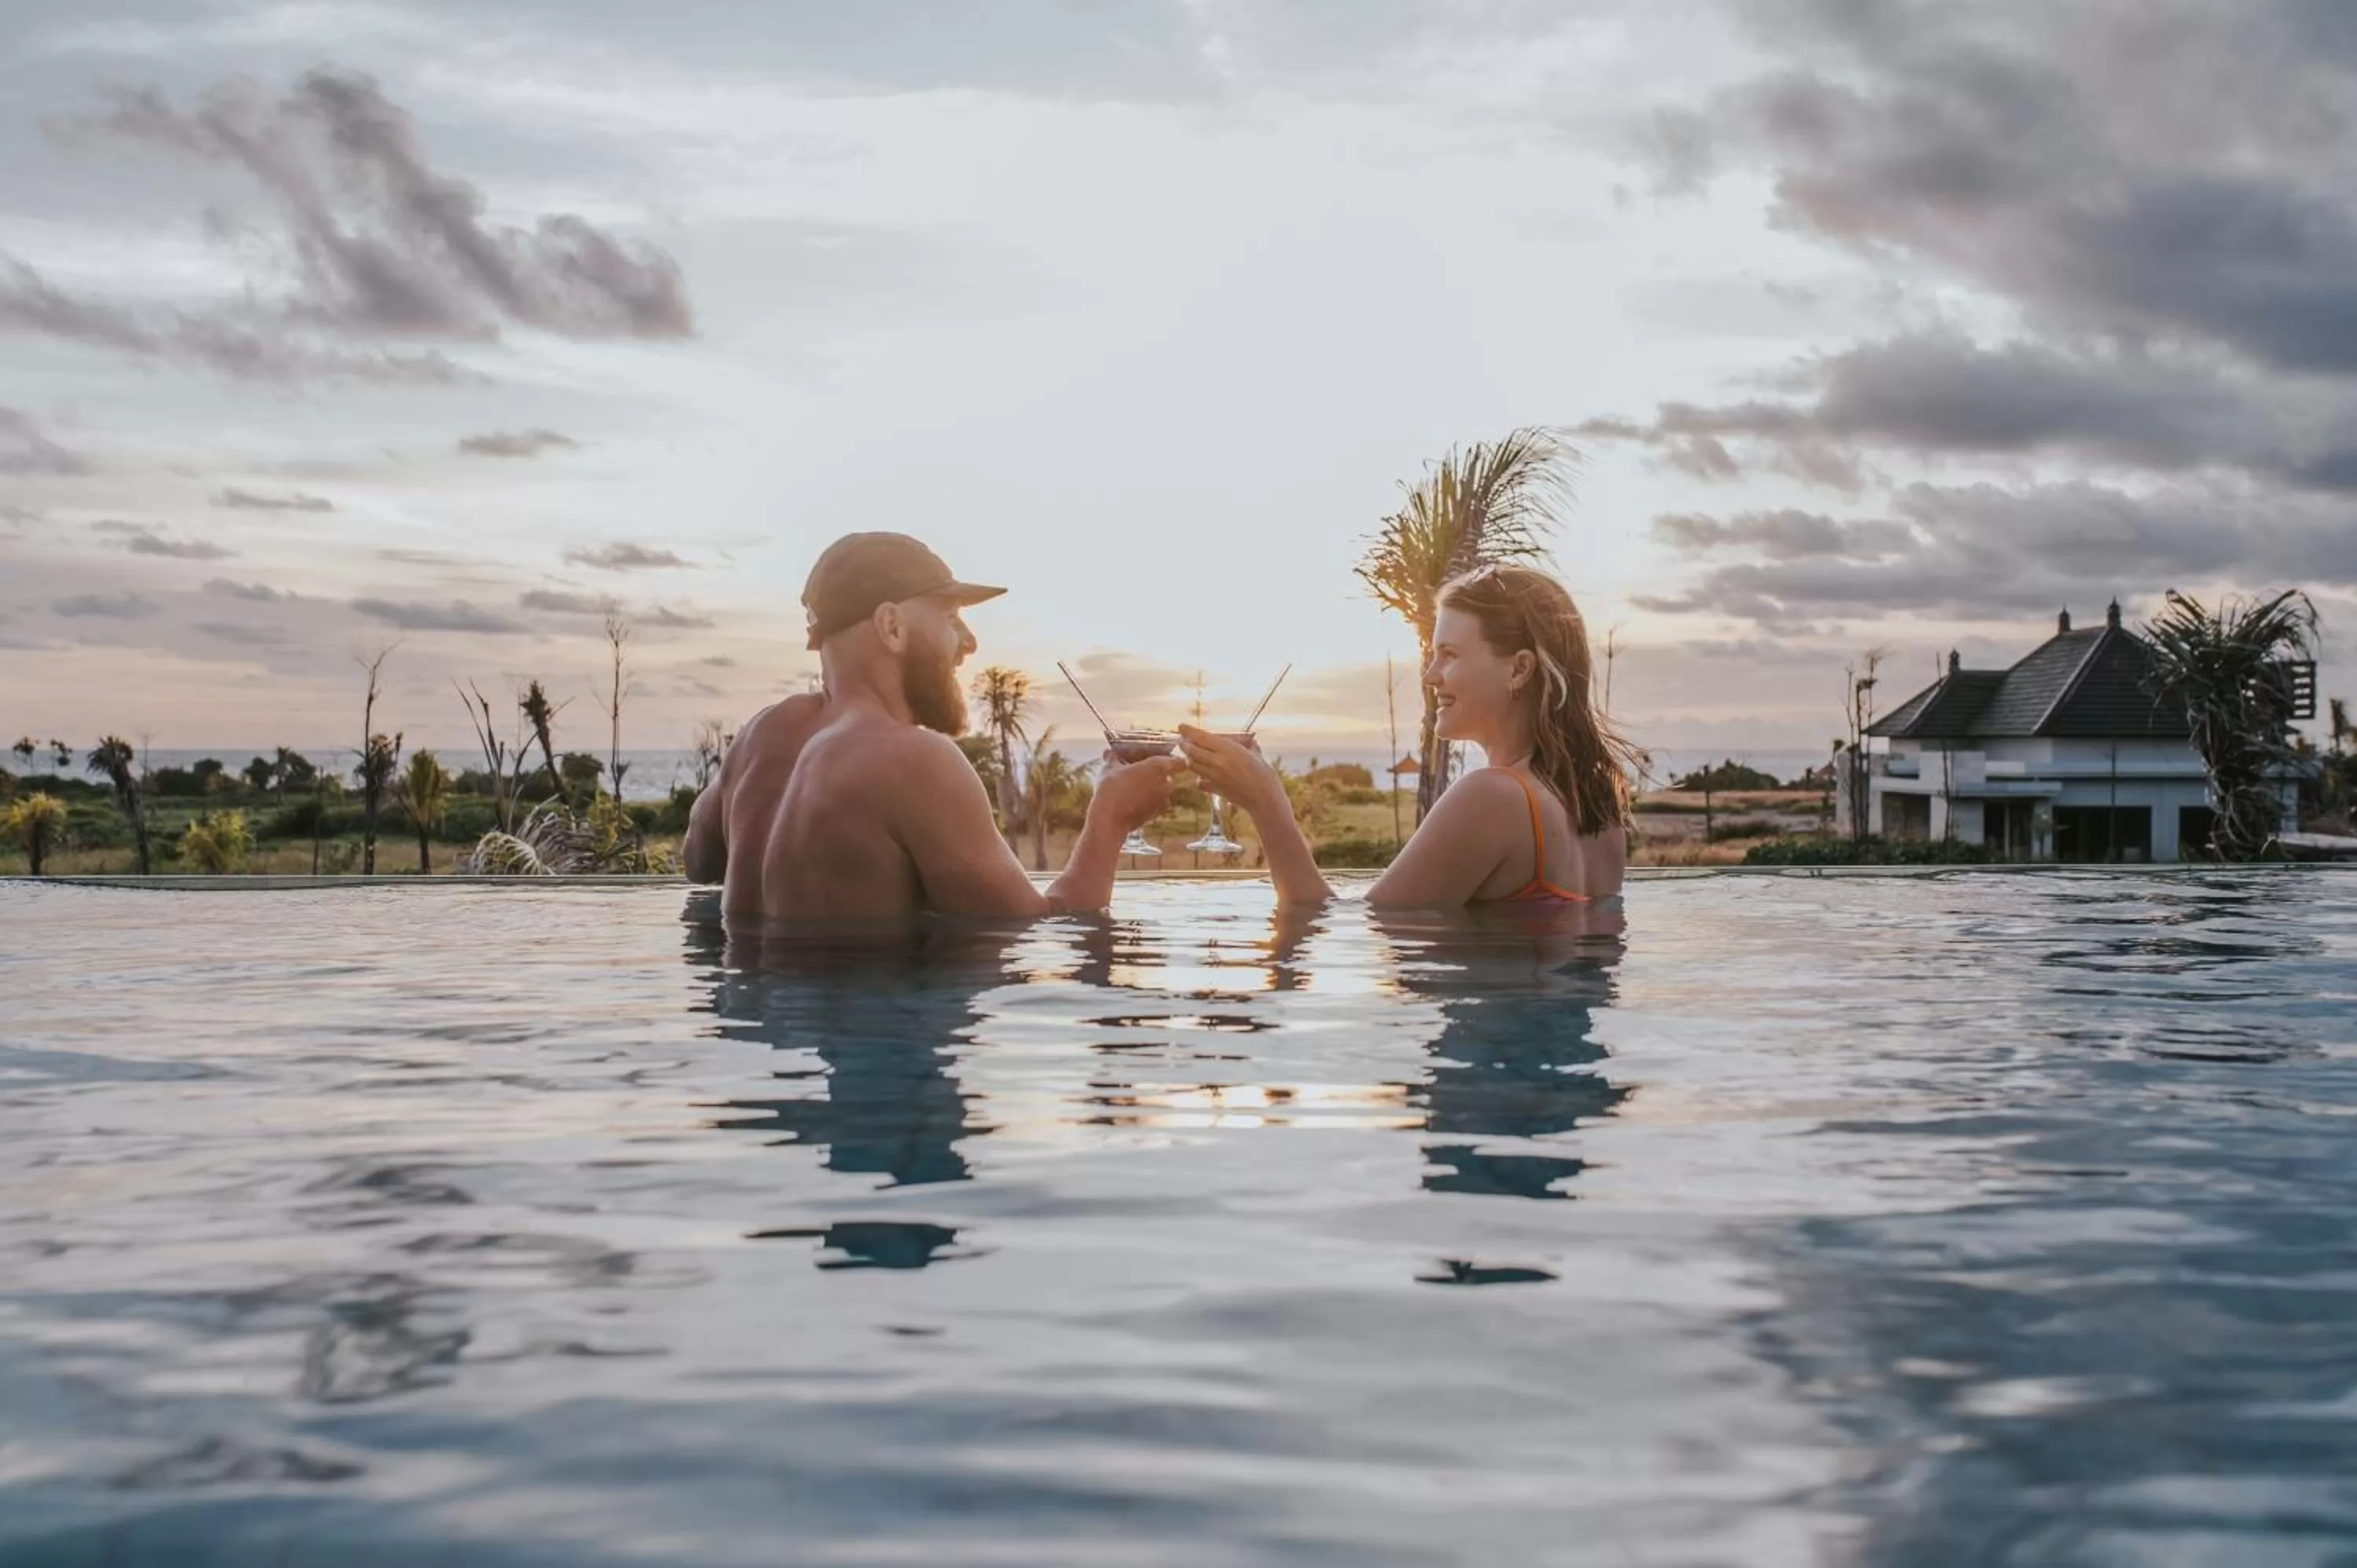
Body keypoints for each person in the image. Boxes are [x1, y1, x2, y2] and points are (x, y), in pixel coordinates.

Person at [684, 532, 1181, 924]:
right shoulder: (910, 759)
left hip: (772, 1040)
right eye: (951, 618)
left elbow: (698, 864)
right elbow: (1034, 937)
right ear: (891, 627)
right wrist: (1110, 820)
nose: (969, 643)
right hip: (875, 1043)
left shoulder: (761, 737)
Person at [1181, 562, 1637, 909]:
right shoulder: (1596, 799)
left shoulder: (1494, 797)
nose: (1430, 676)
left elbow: (1333, 926)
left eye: (1449, 654)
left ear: (1518, 669)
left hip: (1496, 1036)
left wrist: (1266, 803)